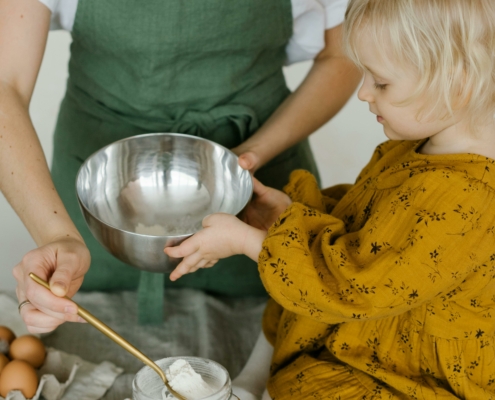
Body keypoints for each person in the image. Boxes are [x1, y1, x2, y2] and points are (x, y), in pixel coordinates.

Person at [165, 0, 495, 398]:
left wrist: (249, 242)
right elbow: (369, 217)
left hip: (407, 372)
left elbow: (355, 288)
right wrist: (287, 216)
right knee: (293, 278)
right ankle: (254, 383)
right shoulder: (424, 145)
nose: (363, 93)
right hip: (369, 318)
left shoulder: (468, 197)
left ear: (457, 86)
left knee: (306, 370)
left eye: (381, 83)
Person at [0, 0, 362, 330]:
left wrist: (254, 152)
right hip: (104, 203)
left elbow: (342, 55)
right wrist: (57, 235)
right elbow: (5, 85)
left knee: (274, 333)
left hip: (256, 191)